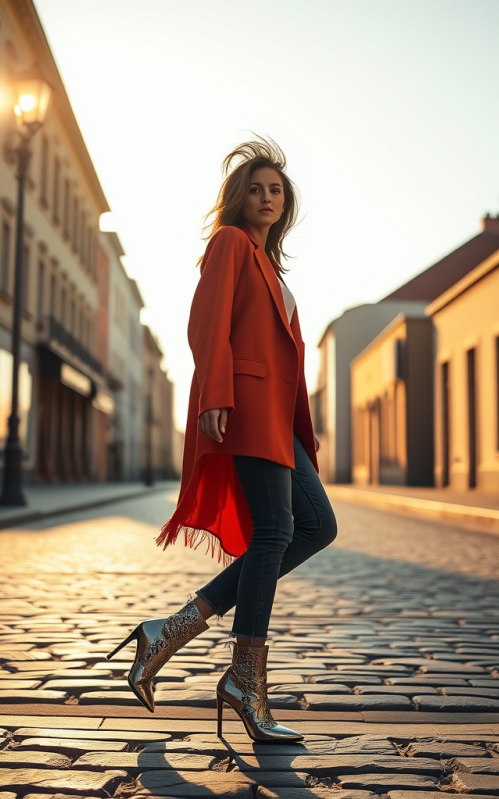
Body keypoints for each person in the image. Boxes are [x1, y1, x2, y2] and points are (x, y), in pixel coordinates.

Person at [107, 137, 337, 742]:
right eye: (256, 189)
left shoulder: (270, 264)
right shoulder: (230, 244)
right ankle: (244, 680)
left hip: (280, 418)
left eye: (276, 191)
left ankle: (171, 631)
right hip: (247, 408)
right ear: (240, 198)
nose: (266, 198)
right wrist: (214, 395)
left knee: (317, 525)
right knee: (277, 531)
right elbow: (206, 321)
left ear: (286, 204)